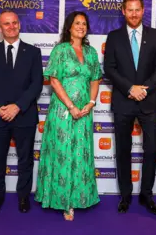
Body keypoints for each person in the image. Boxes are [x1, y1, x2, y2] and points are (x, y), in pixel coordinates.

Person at [35, 11, 102, 221]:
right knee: (63, 153)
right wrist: (72, 106)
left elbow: (95, 80)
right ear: (69, 27)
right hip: (63, 111)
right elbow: (54, 80)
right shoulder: (60, 50)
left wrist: (91, 103)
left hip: (84, 112)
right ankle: (64, 201)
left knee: (80, 154)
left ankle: (79, 198)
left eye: (84, 23)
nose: (81, 26)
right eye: (77, 23)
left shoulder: (91, 52)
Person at [104, 0, 156, 215]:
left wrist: (144, 89)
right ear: (123, 11)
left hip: (148, 102)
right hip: (123, 101)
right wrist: (130, 88)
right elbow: (110, 68)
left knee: (152, 149)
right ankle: (126, 195)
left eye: (137, 10)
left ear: (143, 10)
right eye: (129, 10)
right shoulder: (113, 37)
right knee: (123, 150)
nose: (133, 14)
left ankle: (146, 195)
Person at [0, 10, 43, 215]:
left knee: (25, 161)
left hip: (24, 115)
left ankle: (24, 198)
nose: (11, 26)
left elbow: (37, 84)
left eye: (14, 22)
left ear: (20, 25)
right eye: (6, 24)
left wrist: (18, 106)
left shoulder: (33, 52)